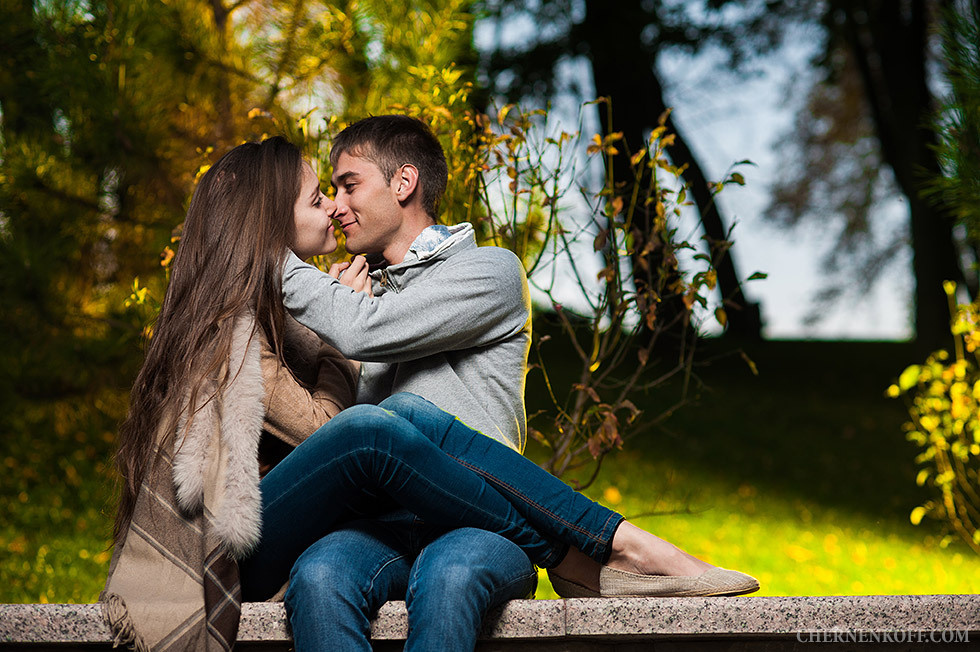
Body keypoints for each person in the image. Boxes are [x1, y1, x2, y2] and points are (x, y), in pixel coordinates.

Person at [100, 133, 758, 652]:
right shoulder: (261, 324)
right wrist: (319, 313)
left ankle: (608, 548)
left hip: (456, 519)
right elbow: (334, 426)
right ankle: (593, 549)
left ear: (404, 182)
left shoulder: (480, 273)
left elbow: (359, 351)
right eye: (319, 196)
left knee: (411, 457)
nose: (335, 204)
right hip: (276, 539)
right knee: (345, 524)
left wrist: (317, 305)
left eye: (346, 185)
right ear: (269, 228)